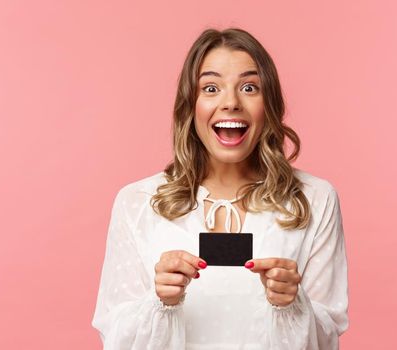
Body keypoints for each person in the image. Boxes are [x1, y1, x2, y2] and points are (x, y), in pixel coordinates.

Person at [91, 27, 348, 349]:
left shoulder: (314, 198)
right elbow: (115, 339)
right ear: (191, 104)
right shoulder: (138, 201)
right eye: (211, 88)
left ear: (269, 104)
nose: (231, 102)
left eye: (250, 87)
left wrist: (293, 305)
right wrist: (160, 302)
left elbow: (328, 340)